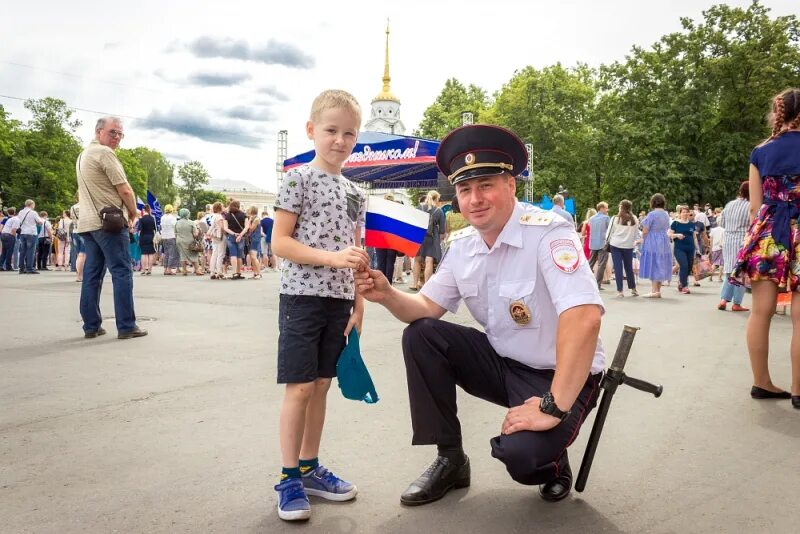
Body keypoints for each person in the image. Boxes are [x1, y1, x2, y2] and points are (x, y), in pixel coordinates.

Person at [356, 124, 605, 506]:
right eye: (464, 189)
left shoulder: (550, 234)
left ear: (511, 186)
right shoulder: (463, 247)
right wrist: (388, 294)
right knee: (422, 334)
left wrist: (552, 406)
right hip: (503, 363)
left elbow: (584, 316)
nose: (474, 199)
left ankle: (553, 461)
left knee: (525, 459)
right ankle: (450, 459)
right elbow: (425, 308)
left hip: (561, 373)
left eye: (486, 184)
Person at [271, 89, 368, 521]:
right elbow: (280, 242)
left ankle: (311, 467)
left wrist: (359, 301)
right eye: (331, 130)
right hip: (301, 298)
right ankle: (289, 476)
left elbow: (357, 249)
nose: (340, 140)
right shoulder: (297, 179)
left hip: (340, 300)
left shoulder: (355, 191)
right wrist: (331, 259)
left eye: (349, 133)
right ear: (311, 130)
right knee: (301, 387)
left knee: (324, 385)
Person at [730, 88, 800, 407]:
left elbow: (755, 206)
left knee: (760, 312)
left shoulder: (760, 152)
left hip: (767, 233)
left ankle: (762, 382)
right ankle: (798, 391)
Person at [76, 116, 146, 339]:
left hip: (88, 223)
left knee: (92, 274)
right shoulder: (105, 153)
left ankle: (91, 325)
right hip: (109, 223)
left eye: (120, 134)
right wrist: (133, 212)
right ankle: (126, 325)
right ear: (99, 132)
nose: (117, 137)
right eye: (113, 132)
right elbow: (124, 189)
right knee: (122, 271)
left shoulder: (83, 155)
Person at [718, 181, 750, 311]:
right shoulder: (751, 205)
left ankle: (723, 299)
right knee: (740, 271)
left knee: (728, 269)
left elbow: (722, 222)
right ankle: (736, 303)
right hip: (743, 240)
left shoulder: (729, 204)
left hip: (728, 240)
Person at [410, 190, 445, 291]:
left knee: (417, 260)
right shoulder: (439, 211)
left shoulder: (419, 207)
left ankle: (414, 284)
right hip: (432, 237)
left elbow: (413, 222)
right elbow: (442, 230)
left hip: (419, 236)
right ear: (436, 199)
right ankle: (426, 286)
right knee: (429, 261)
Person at [607, 200, 639, 298]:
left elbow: (609, 232)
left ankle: (620, 291)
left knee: (618, 267)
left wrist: (607, 242)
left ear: (621, 207)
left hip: (616, 245)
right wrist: (632, 243)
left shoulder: (615, 218)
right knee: (628, 267)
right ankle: (633, 288)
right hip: (628, 246)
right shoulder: (634, 219)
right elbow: (636, 233)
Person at [669, 205, 697, 294]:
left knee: (689, 267)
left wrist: (698, 249)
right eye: (683, 212)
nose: (685, 214)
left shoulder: (691, 224)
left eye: (686, 212)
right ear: (679, 213)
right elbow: (669, 234)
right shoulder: (675, 223)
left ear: (689, 213)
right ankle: (685, 286)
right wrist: (677, 235)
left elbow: (694, 237)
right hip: (679, 248)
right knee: (684, 265)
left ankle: (681, 282)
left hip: (690, 248)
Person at [375, 194, 400, 285]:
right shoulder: (396, 212)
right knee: (390, 262)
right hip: (392, 239)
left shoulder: (378, 211)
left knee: (380, 262)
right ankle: (388, 284)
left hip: (379, 239)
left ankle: (380, 284)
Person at [16, 199, 44, 274]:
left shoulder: (21, 212)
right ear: (31, 204)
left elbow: (18, 222)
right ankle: (29, 268)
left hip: (22, 233)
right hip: (31, 233)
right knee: (31, 251)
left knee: (23, 250)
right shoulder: (33, 212)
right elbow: (40, 222)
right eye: (34, 205)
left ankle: (21, 268)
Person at [587, 202, 610, 289]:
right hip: (603, 243)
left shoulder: (591, 218)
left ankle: (586, 282)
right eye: (606, 208)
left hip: (592, 243)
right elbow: (609, 230)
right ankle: (597, 284)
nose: (607, 210)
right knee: (601, 264)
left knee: (590, 263)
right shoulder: (606, 218)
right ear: (602, 208)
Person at [224, 200, 247, 280]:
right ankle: (239, 272)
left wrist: (234, 234)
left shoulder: (227, 215)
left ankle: (234, 273)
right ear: (238, 206)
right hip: (241, 237)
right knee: (239, 255)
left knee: (233, 254)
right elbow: (246, 227)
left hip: (231, 237)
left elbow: (225, 228)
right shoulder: (243, 215)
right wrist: (240, 235)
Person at [175, 208, 201, 275]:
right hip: (189, 241)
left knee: (182, 255)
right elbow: (195, 234)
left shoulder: (177, 223)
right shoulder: (191, 222)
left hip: (179, 241)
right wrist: (198, 230)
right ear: (187, 214)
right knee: (194, 255)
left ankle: (184, 270)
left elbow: (175, 233)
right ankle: (197, 270)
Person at [207, 202, 227, 280]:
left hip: (214, 236)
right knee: (221, 254)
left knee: (214, 253)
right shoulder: (219, 216)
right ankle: (219, 272)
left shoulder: (213, 215)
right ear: (219, 208)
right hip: (220, 236)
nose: (223, 207)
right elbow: (222, 228)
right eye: (222, 206)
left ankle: (212, 272)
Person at [137, 205, 157, 275]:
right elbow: (155, 229)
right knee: (151, 253)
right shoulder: (152, 218)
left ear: (143, 210)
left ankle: (143, 269)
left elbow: (139, 230)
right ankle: (149, 270)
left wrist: (139, 239)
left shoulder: (141, 219)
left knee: (144, 253)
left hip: (143, 237)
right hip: (151, 236)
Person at [160, 204, 178, 275]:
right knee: (171, 253)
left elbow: (161, 227)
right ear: (171, 209)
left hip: (164, 236)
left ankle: (165, 269)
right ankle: (169, 269)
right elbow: (175, 226)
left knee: (166, 253)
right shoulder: (172, 217)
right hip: (171, 236)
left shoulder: (162, 217)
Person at [245, 206, 262, 279]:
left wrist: (248, 222)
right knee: (252, 257)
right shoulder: (254, 218)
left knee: (254, 257)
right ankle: (255, 273)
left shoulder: (256, 219)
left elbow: (251, 229)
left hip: (255, 238)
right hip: (252, 238)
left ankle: (258, 273)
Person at [0, 207, 19, 271]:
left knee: (4, 251)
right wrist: (14, 236)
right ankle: (8, 266)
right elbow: (13, 230)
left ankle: (1, 265)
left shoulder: (5, 219)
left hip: (3, 234)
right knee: (9, 252)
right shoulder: (15, 219)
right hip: (9, 235)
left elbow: (1, 228)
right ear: (15, 212)